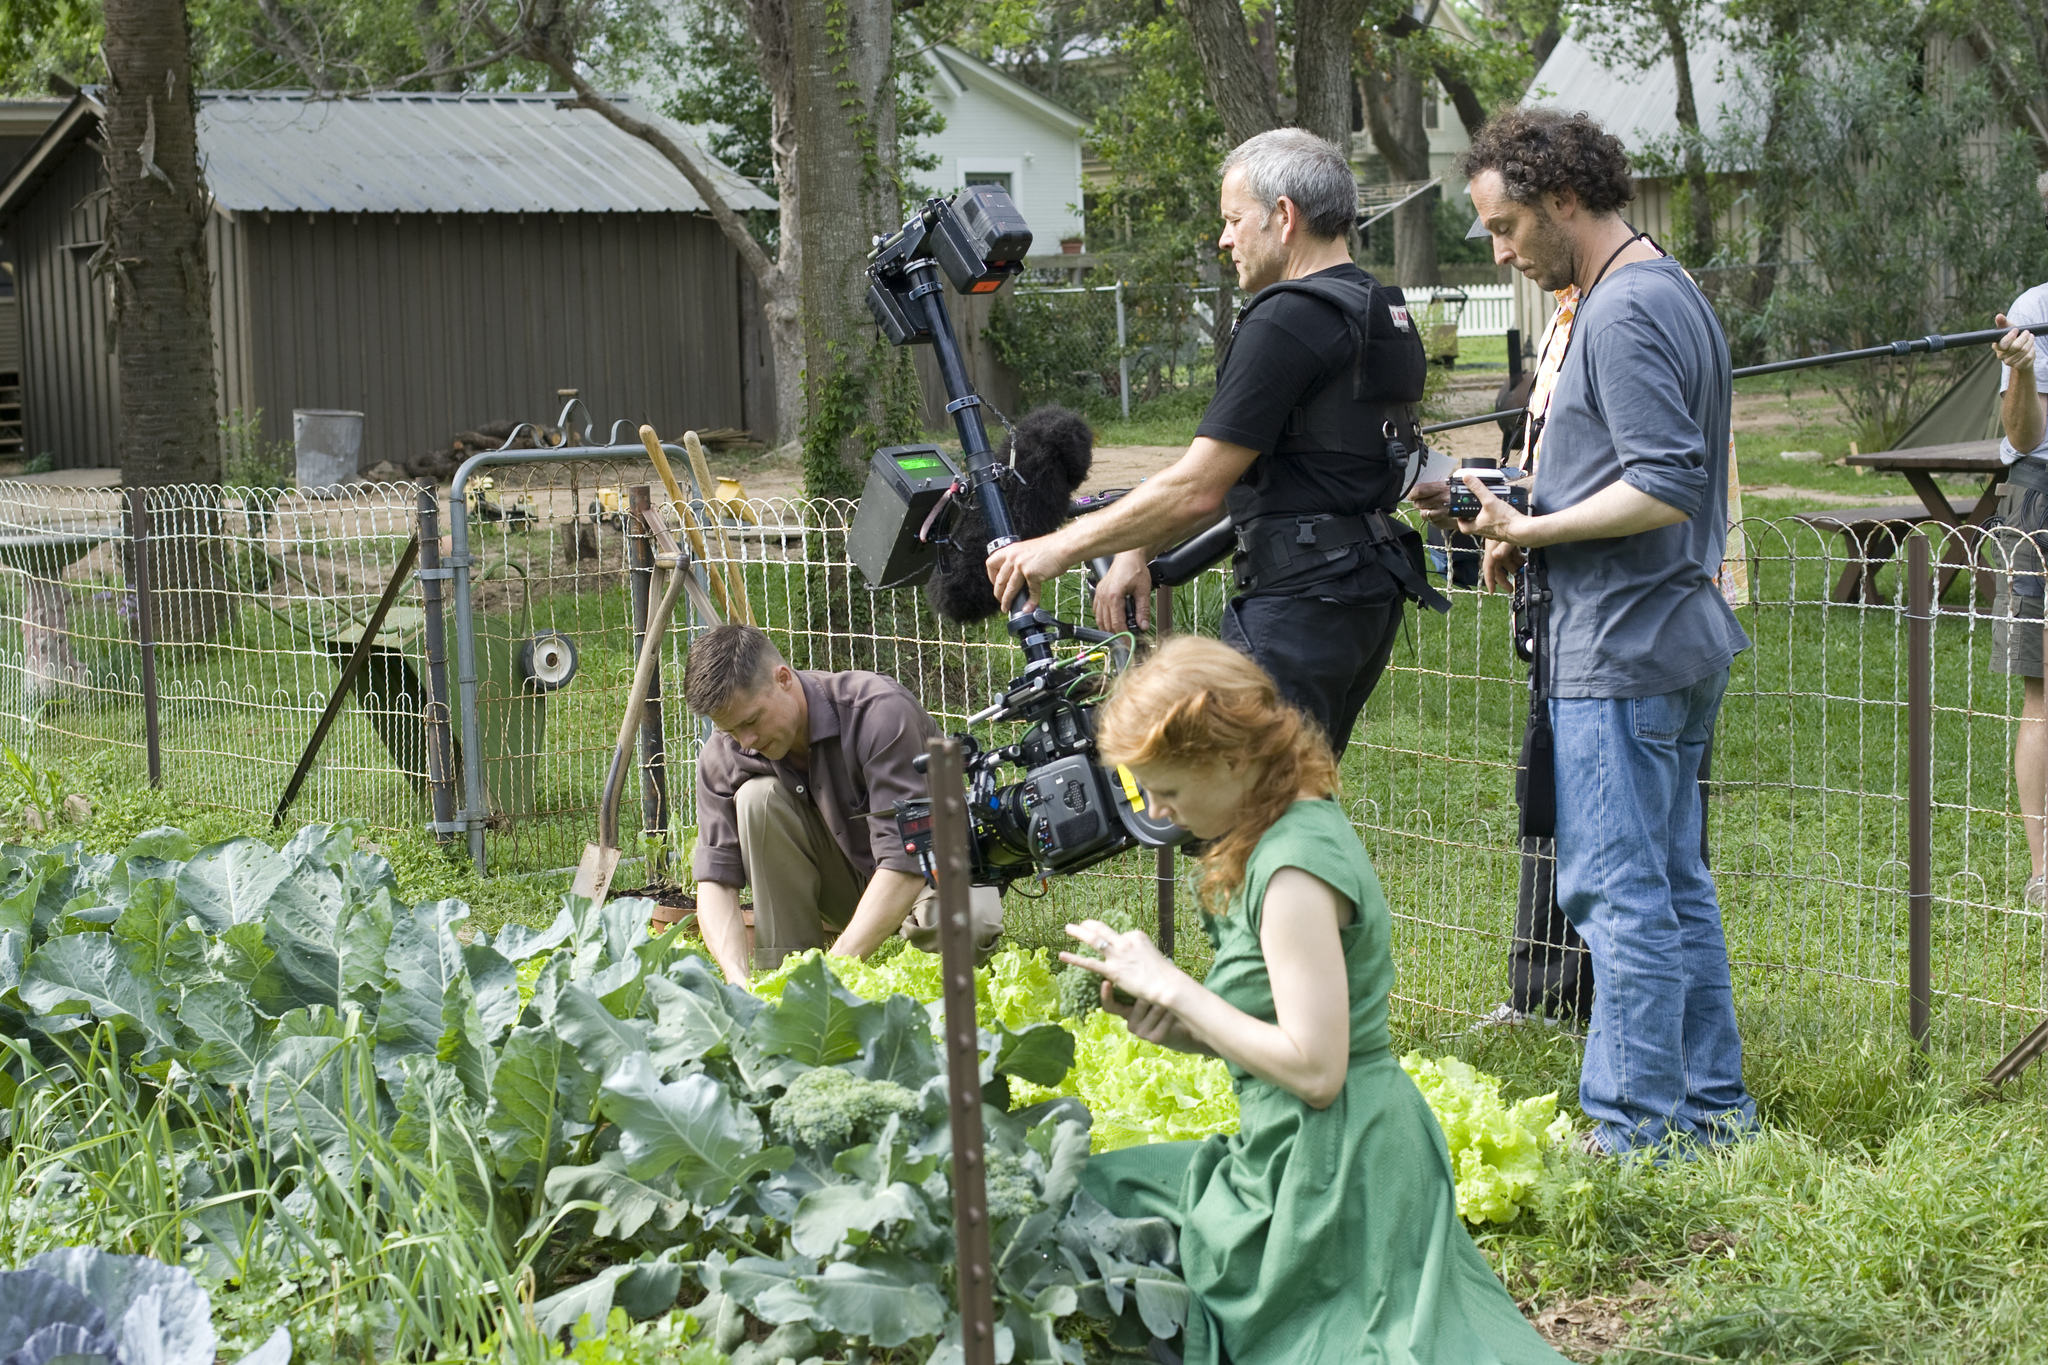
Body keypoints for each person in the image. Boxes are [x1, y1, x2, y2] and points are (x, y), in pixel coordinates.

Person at [1060, 637, 1564, 1365]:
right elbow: (1273, 1027)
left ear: (1231, 759)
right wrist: (1173, 1024)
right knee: (1098, 1190)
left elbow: (1318, 1069)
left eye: (1166, 788)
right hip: (1284, 1148)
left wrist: (1173, 983)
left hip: (1338, 1169)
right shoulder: (1263, 831)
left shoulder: (1294, 866)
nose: (1160, 811)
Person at [1438, 107, 1756, 1154]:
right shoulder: (1659, 286)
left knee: (1613, 893)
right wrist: (1524, 508)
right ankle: (1710, 1113)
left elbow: (1664, 483)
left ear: (1561, 199)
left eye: (1505, 228)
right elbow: (1630, 465)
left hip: (1620, 643)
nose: (1501, 252)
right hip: (1664, 631)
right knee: (1668, 885)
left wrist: (1529, 527)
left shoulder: (1619, 311)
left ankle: (1630, 1130)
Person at [984, 128, 1443, 758]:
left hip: (1298, 603)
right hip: (1360, 595)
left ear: (1283, 217)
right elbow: (1268, 466)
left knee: (1246, 812)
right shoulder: (1371, 305)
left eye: (1233, 220)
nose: (1224, 239)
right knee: (1299, 799)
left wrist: (1057, 548)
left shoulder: (1287, 316)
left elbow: (1200, 486)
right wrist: (1134, 549)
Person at [684, 623, 1001, 982]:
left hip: (934, 866)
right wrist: (736, 979)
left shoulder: (878, 711)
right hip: (847, 880)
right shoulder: (725, 753)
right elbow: (715, 881)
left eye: (752, 720)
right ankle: (783, 976)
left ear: (784, 678)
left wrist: (829, 976)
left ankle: (816, 980)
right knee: (757, 799)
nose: (747, 741)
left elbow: (905, 860)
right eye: (730, 731)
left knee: (968, 924)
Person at [1988, 175, 2048, 907]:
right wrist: (2023, 372)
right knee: (2045, 692)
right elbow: (2022, 436)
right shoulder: (2034, 311)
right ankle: (2044, 871)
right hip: (2042, 498)